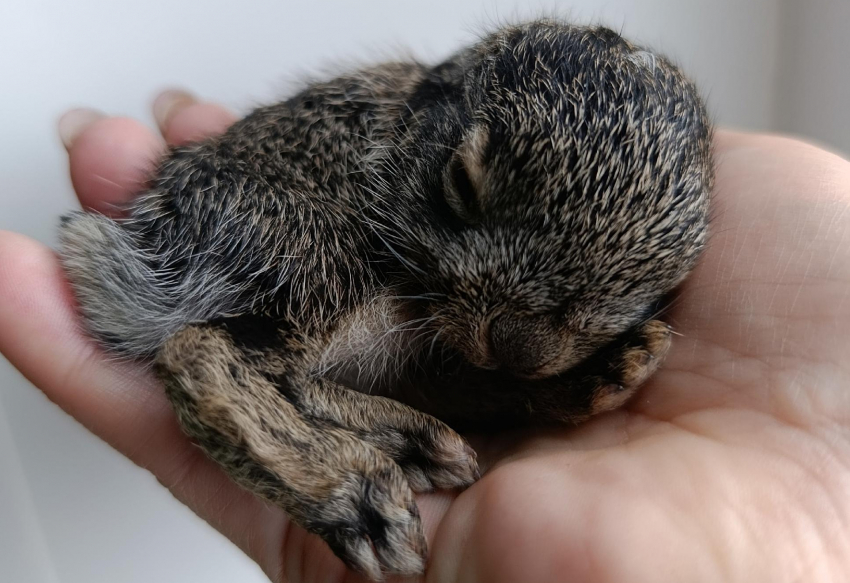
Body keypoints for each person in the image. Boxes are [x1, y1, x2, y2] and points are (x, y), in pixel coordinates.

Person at [1, 90, 848, 583]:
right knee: (340, 279)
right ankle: (232, 383)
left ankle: (326, 399)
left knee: (453, 358)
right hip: (237, 246)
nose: (520, 333)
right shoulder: (429, 122)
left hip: (306, 318)